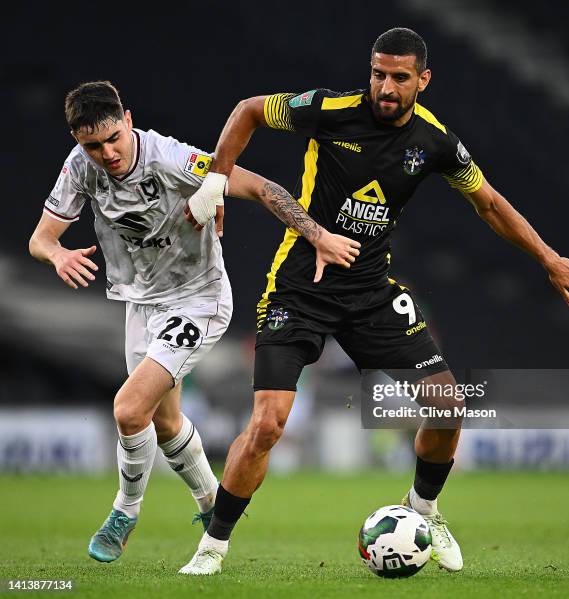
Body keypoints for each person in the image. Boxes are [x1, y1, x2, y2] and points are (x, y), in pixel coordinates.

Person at [183, 27, 569, 576]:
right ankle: (212, 548)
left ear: (423, 80)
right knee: (269, 423)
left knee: (447, 406)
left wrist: (547, 257)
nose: (385, 87)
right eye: (378, 74)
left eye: (399, 77)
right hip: (299, 288)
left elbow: (488, 203)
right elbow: (249, 110)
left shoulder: (435, 141)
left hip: (372, 293)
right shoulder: (332, 110)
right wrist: (216, 179)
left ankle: (423, 511)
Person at [28, 81, 356, 569]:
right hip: (140, 303)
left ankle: (124, 512)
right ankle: (211, 506)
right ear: (79, 142)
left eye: (114, 138)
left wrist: (319, 235)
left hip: (198, 301)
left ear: (129, 119)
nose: (107, 153)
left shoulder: (172, 160)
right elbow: (41, 237)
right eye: (93, 145)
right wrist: (56, 253)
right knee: (163, 423)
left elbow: (263, 188)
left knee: (128, 410)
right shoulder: (80, 168)